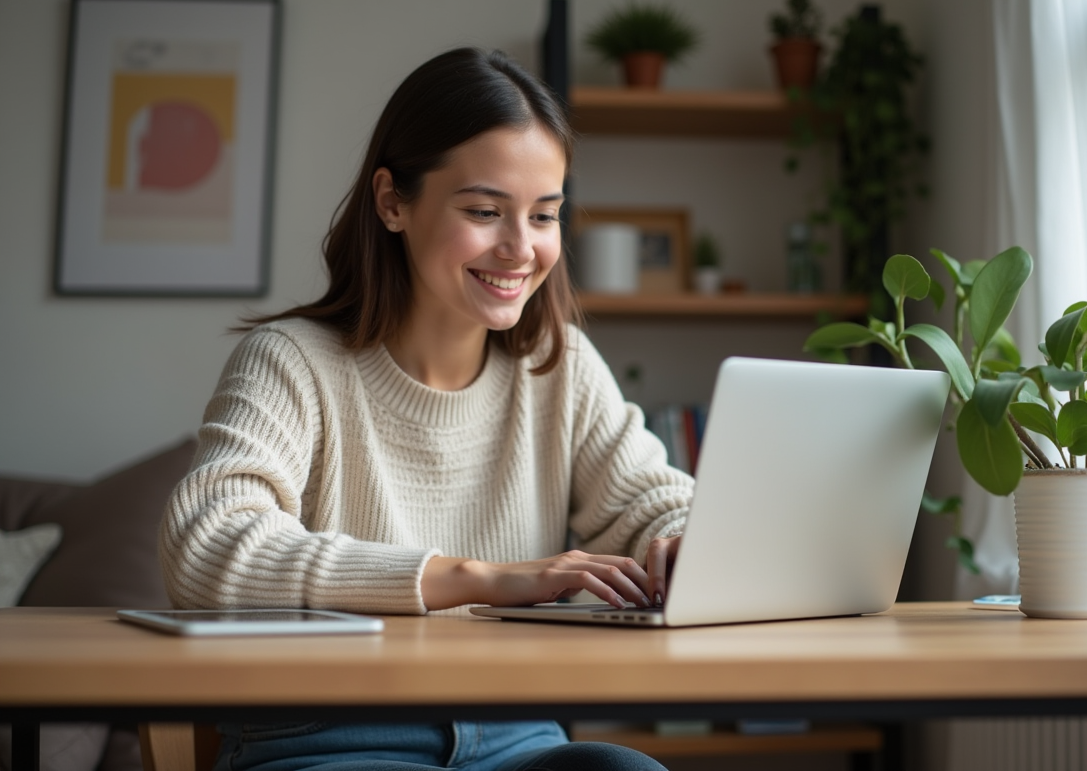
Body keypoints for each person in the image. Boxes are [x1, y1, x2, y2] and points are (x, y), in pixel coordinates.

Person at [159, 47, 694, 771]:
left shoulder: (558, 367)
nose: (520, 249)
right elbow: (206, 547)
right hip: (324, 740)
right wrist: (478, 577)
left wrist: (684, 541)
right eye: (483, 211)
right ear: (392, 202)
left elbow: (654, 504)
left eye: (543, 215)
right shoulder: (292, 362)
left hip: (515, 736)